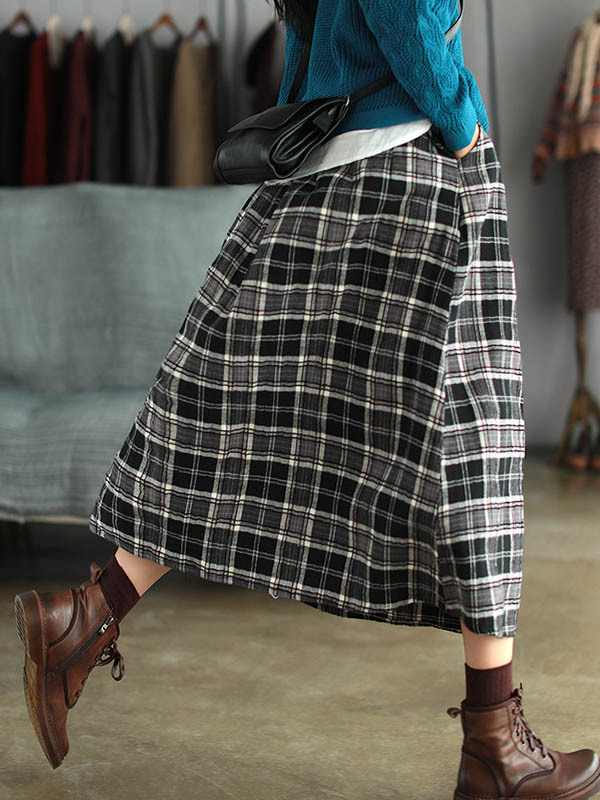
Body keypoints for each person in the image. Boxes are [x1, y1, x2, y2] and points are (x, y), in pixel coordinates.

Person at [14, 1, 600, 797]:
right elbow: (406, 17)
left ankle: (82, 618)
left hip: (323, 166)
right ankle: (494, 744)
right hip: (413, 168)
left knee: (237, 428)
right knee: (475, 451)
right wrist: (464, 126)